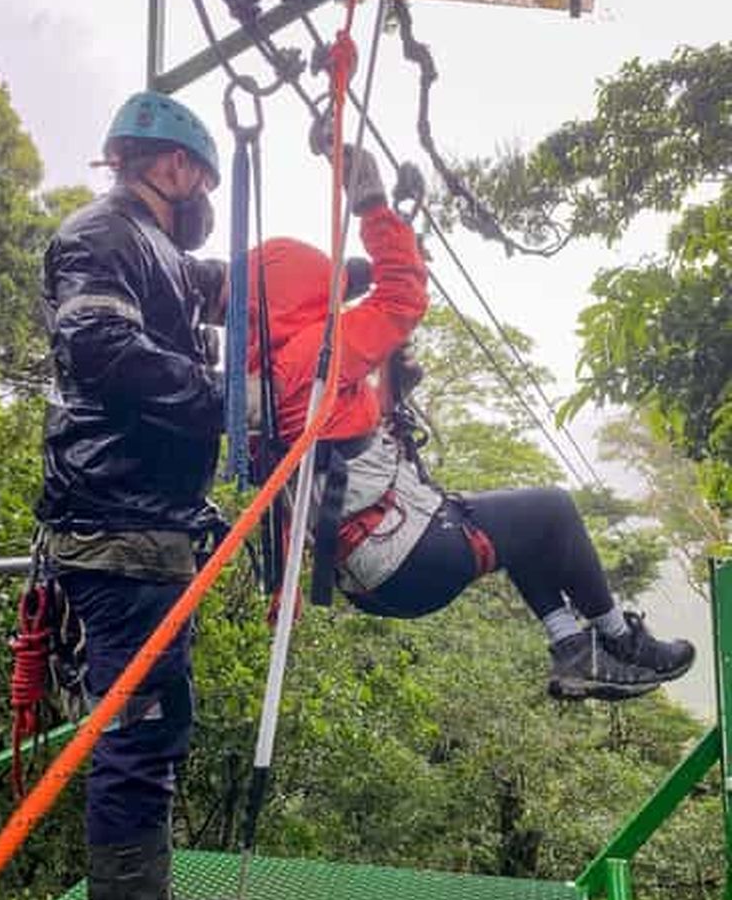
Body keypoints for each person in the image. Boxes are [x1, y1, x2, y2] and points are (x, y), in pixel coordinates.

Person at [246, 147, 695, 701]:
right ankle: (620, 639)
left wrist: (392, 389)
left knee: (522, 532)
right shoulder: (316, 351)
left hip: (369, 570)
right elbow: (401, 296)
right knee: (554, 508)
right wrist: (374, 210)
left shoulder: (268, 380)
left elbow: (350, 442)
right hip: (405, 553)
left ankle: (571, 646)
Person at [35, 91, 251, 900]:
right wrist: (223, 397)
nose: (204, 189)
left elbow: (215, 284)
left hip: (152, 529)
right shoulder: (100, 235)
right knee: (132, 741)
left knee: (159, 727)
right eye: (201, 171)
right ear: (173, 166)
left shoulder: (156, 248)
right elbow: (102, 348)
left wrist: (351, 269)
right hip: (115, 530)